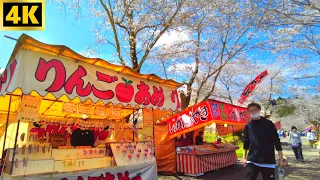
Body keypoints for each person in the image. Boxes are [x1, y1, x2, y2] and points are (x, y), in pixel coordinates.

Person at [242, 103, 284, 180]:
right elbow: (246, 142)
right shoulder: (248, 126)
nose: (253, 112)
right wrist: (244, 157)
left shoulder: (269, 124)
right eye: (250, 111)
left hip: (268, 161)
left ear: (259, 110)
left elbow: (277, 141)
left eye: (255, 110)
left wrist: (281, 159)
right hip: (252, 160)